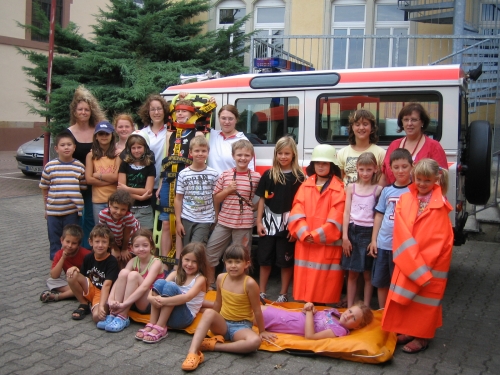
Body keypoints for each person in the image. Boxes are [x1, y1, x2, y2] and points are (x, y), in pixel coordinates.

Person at [381, 158, 453, 354]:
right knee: (410, 302)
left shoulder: (441, 206)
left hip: (429, 264)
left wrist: (420, 266)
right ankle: (409, 330)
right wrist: (413, 262)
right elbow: (400, 230)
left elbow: (438, 240)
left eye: (427, 181)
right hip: (410, 260)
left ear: (436, 180)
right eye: (418, 179)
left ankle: (422, 337)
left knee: (425, 303)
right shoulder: (405, 198)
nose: (421, 184)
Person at [181, 245, 275, 371]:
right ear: (225, 263)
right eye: (229, 262)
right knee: (209, 313)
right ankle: (192, 352)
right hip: (222, 324)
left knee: (255, 342)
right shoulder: (221, 278)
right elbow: (218, 303)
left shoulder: (250, 283)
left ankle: (214, 346)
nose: (233, 265)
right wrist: (210, 321)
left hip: (241, 327)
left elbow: (257, 310)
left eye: (237, 262)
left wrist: (262, 331)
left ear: (246, 264)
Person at [157, 97, 216, 266]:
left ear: (192, 114)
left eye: (184, 111)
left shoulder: (197, 133)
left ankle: (180, 263)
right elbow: (165, 157)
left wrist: (191, 99)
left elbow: (205, 118)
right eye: (178, 111)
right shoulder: (170, 132)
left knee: (183, 221)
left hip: (188, 180)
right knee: (167, 222)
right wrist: (161, 182)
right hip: (169, 180)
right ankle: (164, 262)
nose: (180, 113)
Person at [288, 144, 345, 304]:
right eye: (318, 162)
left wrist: (315, 236)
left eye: (325, 163)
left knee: (323, 291)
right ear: (312, 165)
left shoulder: (339, 189)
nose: (321, 166)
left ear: (332, 165)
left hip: (324, 246)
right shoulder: (305, 186)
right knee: (305, 294)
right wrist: (304, 234)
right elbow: (296, 212)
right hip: (306, 242)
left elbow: (337, 218)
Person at [205, 139, 261, 288]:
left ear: (251, 157)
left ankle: (237, 287)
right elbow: (216, 198)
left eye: (247, 155)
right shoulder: (225, 175)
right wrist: (228, 190)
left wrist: (254, 208)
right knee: (210, 253)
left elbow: (263, 197)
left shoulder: (256, 177)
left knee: (242, 257)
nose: (243, 158)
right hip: (224, 221)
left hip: (244, 224)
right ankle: (211, 284)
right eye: (239, 155)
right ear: (233, 156)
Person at [256, 136, 305, 303]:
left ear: (293, 155)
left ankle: (283, 294)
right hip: (268, 225)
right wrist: (258, 222)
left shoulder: (299, 177)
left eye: (287, 153)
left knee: (285, 262)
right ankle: (261, 292)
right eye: (280, 153)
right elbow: (262, 200)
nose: (283, 157)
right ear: (275, 154)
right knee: (265, 260)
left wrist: (296, 229)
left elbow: (301, 204)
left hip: (288, 227)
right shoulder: (268, 175)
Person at [135, 242, 209, 343]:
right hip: (166, 315)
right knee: (160, 282)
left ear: (200, 263)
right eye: (187, 260)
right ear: (181, 257)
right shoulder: (175, 273)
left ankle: (160, 328)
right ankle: (152, 324)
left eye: (194, 262)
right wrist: (150, 298)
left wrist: (163, 301)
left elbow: (187, 297)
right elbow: (156, 288)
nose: (190, 264)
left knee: (171, 286)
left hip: (183, 318)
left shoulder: (200, 279)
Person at [368, 149, 413, 308]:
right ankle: (382, 311)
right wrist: (374, 240)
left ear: (411, 167)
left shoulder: (414, 191)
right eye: (396, 167)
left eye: (404, 166)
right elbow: (379, 216)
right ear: (391, 169)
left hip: (402, 247)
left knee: (399, 283)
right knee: (381, 281)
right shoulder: (387, 191)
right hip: (383, 244)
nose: (400, 171)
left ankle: (396, 313)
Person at [100, 229, 163, 332]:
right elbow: (119, 280)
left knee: (133, 275)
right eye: (137, 246)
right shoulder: (133, 260)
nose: (141, 249)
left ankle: (123, 316)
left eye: (145, 245)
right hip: (132, 301)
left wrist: (124, 304)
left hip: (149, 303)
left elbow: (144, 287)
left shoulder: (156, 262)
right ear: (132, 248)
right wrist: (111, 299)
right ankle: (114, 313)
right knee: (124, 272)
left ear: (151, 246)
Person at [341, 152, 383, 308]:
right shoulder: (351, 187)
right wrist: (345, 237)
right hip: (352, 232)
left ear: (375, 169)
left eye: (369, 169)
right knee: (351, 273)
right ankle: (350, 306)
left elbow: (379, 215)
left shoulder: (378, 190)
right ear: (357, 169)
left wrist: (374, 239)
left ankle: (365, 307)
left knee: (367, 274)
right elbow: (346, 212)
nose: (365, 173)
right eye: (362, 169)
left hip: (369, 232)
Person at [67, 86, 106, 248]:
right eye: (80, 109)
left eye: (87, 110)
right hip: (73, 184)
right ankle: (74, 249)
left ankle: (89, 250)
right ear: (74, 112)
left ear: (91, 112)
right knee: (75, 218)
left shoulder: (96, 132)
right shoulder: (67, 133)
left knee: (90, 218)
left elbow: (106, 151)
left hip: (93, 183)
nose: (83, 112)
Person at [39, 131, 87, 260]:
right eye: (63, 145)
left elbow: (82, 188)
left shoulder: (79, 167)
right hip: (53, 213)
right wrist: (46, 209)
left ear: (74, 147)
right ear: (56, 148)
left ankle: (70, 265)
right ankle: (56, 266)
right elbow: (44, 188)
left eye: (69, 144)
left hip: (71, 213)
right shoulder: (50, 166)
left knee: (72, 240)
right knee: (55, 240)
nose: (66, 147)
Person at [381, 102, 447, 186]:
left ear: (422, 122)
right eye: (406, 120)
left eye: (414, 120)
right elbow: (384, 176)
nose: (409, 124)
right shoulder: (394, 145)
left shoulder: (434, 146)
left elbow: (441, 179)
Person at [66, 224, 119, 324]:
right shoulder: (88, 258)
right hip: (90, 288)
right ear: (91, 242)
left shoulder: (112, 261)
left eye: (104, 242)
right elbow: (81, 277)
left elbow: (107, 285)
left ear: (109, 244)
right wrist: (74, 268)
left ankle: (95, 306)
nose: (100, 245)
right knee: (72, 274)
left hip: (103, 293)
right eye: (97, 241)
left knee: (97, 317)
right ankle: (84, 304)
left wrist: (102, 306)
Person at [174, 136, 219, 247]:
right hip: (187, 218)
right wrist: (178, 221)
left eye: (203, 151)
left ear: (208, 152)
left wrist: (216, 216)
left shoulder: (214, 174)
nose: (200, 153)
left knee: (196, 248)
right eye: (197, 150)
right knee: (187, 249)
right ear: (190, 152)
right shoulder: (183, 174)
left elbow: (216, 197)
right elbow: (178, 198)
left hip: (205, 218)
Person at [261, 301, 373, 339]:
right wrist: (310, 309)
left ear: (357, 326)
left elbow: (310, 336)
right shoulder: (334, 312)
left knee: (252, 314)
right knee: (253, 309)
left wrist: (309, 312)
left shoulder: (339, 330)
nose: (348, 315)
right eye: (350, 311)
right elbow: (314, 315)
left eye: (353, 318)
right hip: (288, 316)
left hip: (283, 323)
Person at [40, 224, 91, 302]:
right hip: (72, 283)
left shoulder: (86, 254)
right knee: (50, 281)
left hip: (84, 282)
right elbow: (54, 276)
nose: (70, 246)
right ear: (61, 240)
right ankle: (76, 292)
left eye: (74, 243)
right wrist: (63, 258)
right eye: (67, 242)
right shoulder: (59, 254)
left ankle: (58, 297)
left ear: (78, 244)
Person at [118, 130, 155, 230]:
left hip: (145, 210)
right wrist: (140, 197)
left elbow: (148, 191)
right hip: (127, 208)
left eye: (139, 147)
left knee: (145, 237)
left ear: (145, 148)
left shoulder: (150, 166)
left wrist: (127, 189)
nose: (136, 150)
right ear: (129, 150)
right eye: (133, 148)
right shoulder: (124, 165)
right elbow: (121, 190)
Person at [337, 109, 385, 185]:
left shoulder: (381, 153)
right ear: (352, 127)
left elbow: (384, 178)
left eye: (365, 124)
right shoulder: (342, 153)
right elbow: (339, 179)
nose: (361, 128)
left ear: (372, 127)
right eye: (357, 124)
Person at [85, 121, 121, 224]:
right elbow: (89, 179)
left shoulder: (117, 154)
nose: (104, 136)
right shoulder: (91, 155)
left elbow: (116, 177)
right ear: (96, 136)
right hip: (98, 201)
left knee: (116, 232)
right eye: (101, 134)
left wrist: (98, 175)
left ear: (112, 136)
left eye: (107, 134)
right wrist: (111, 180)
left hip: (115, 200)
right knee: (100, 231)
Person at [207, 104, 255, 174]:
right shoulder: (211, 135)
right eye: (223, 118)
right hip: (211, 184)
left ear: (236, 120)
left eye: (230, 119)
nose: (227, 122)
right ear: (219, 119)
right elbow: (191, 120)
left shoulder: (243, 141)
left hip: (232, 184)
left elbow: (250, 172)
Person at [98, 190, 140, 268]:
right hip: (114, 239)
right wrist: (115, 248)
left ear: (127, 209)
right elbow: (106, 232)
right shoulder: (103, 215)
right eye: (116, 208)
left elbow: (127, 235)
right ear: (110, 204)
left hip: (130, 240)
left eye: (123, 209)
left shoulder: (129, 217)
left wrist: (124, 250)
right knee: (114, 258)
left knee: (126, 258)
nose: (118, 212)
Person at [137, 95, 170, 194]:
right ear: (148, 112)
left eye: (159, 109)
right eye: (152, 109)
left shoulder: (171, 131)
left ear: (164, 110)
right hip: (145, 184)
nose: (156, 112)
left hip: (165, 183)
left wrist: (183, 97)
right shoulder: (142, 133)